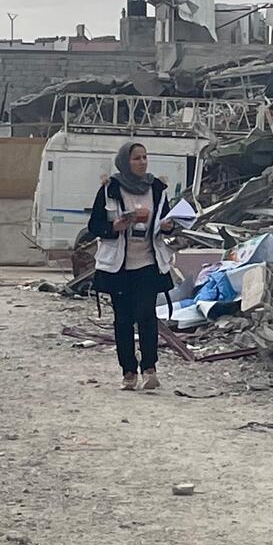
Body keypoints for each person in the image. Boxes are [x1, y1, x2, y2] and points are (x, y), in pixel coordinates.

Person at [85, 141, 175, 391]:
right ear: (125, 162)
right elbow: (94, 225)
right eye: (136, 158)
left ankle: (149, 368)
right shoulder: (110, 189)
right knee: (123, 320)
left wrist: (168, 226)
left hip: (148, 263)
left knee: (147, 316)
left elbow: (166, 221)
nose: (142, 162)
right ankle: (128, 371)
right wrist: (114, 228)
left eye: (145, 157)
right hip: (118, 267)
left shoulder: (157, 189)